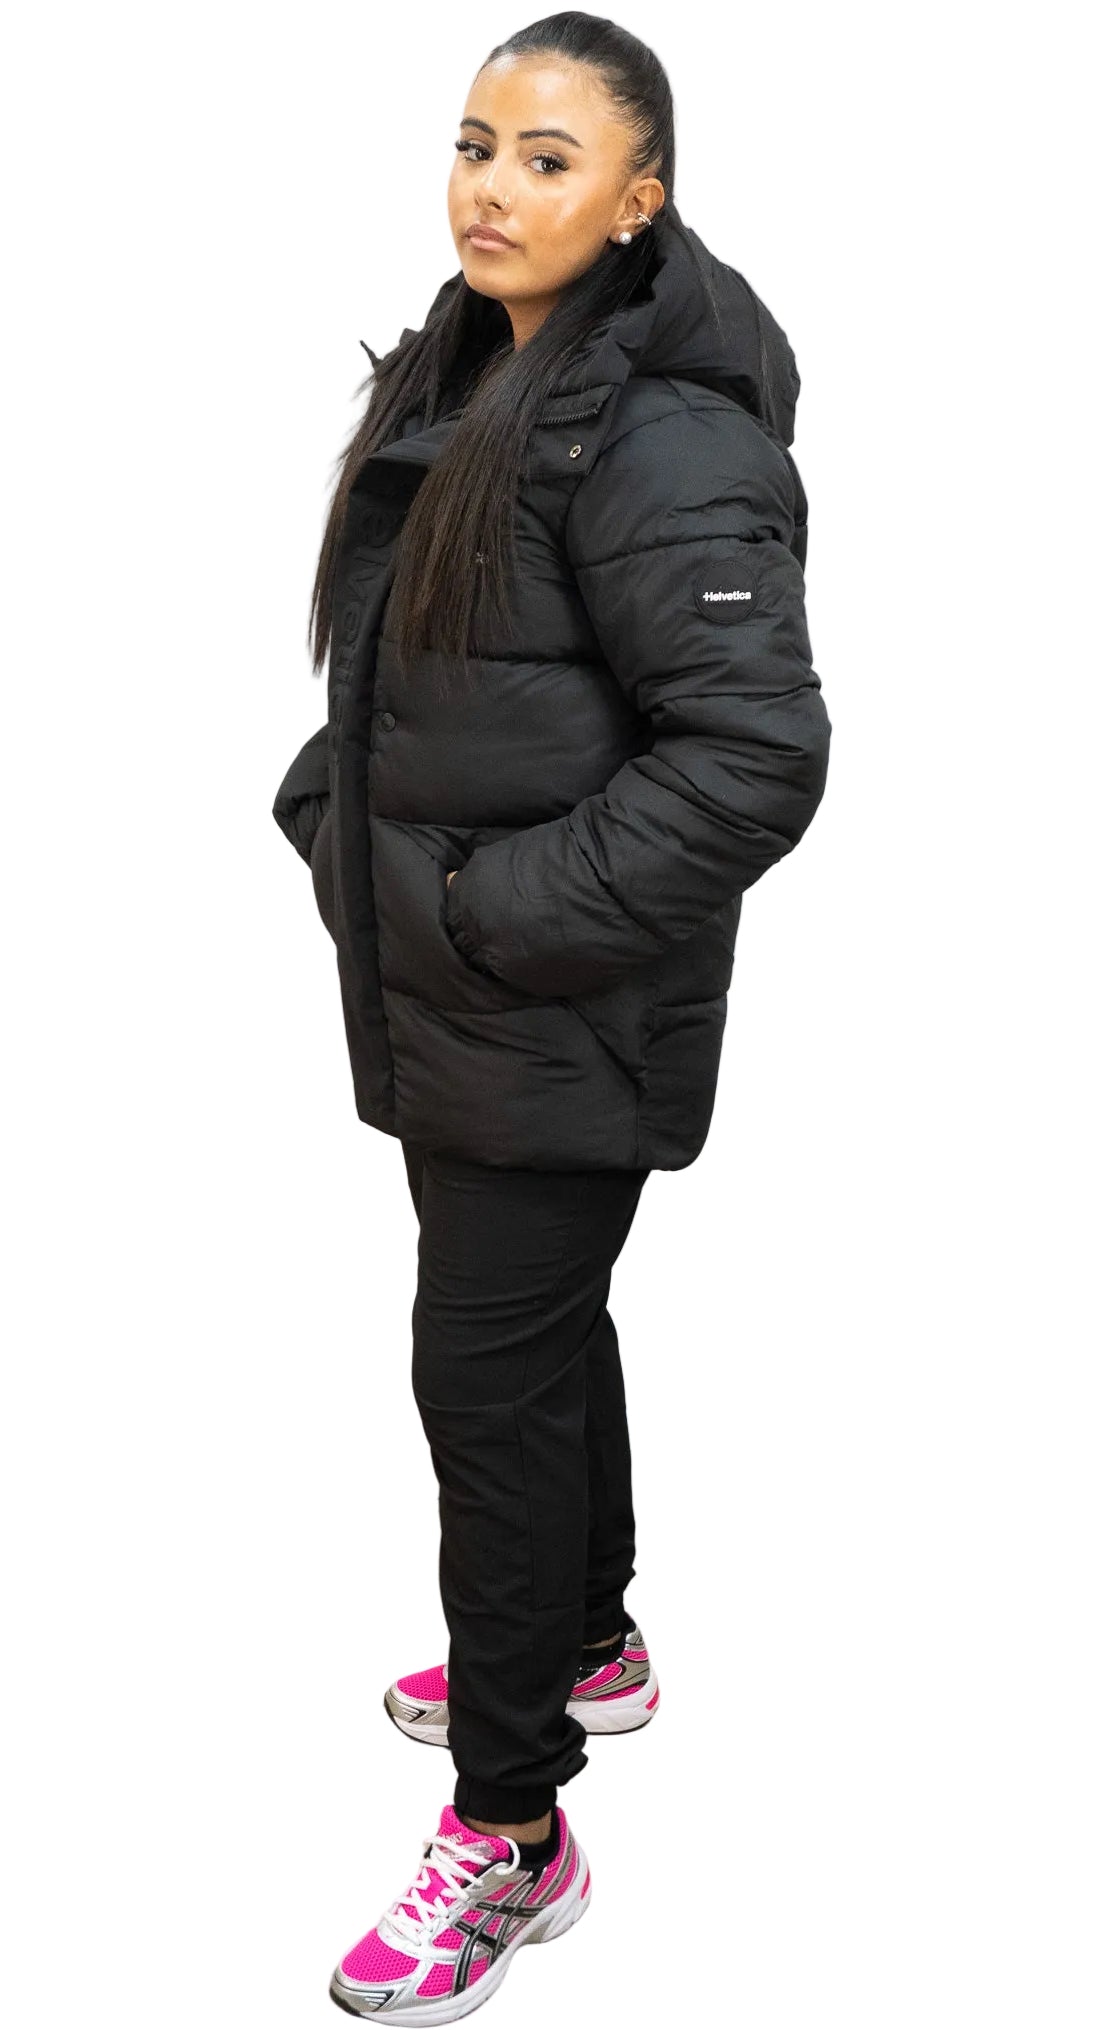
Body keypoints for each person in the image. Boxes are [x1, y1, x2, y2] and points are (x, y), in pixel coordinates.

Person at [272, 13, 831, 2021]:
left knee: (484, 1387)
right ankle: (587, 1639)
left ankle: (512, 1827)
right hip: (463, 1001)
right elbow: (420, 683)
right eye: (474, 143)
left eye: (548, 156)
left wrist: (479, 915)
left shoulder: (663, 437)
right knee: (533, 1340)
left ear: (641, 198)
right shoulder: (479, 369)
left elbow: (753, 757)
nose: (494, 188)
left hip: (548, 1012)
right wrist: (336, 817)